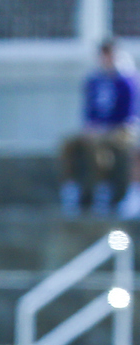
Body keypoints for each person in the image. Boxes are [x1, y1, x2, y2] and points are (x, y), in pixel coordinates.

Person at [59, 39, 138, 217]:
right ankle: (71, 187)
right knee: (69, 143)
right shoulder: (94, 80)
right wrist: (91, 127)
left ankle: (96, 192)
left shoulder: (126, 80)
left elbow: (128, 114)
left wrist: (103, 129)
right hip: (97, 129)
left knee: (96, 147)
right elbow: (89, 111)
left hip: (120, 129)